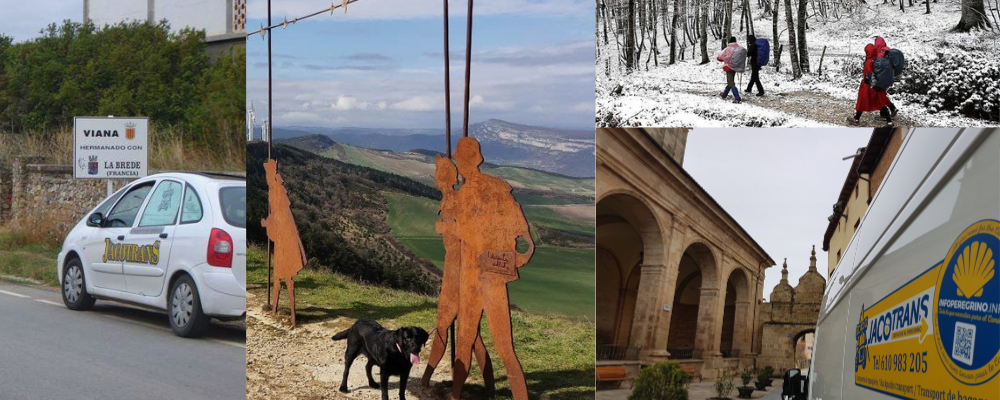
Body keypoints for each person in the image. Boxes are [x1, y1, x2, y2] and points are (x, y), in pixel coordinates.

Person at [451, 137, 534, 400]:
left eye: (460, 159)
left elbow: (522, 234)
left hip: (488, 277)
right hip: (472, 279)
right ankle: (456, 394)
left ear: (471, 160)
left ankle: (520, 396)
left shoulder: (496, 189)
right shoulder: (463, 194)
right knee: (466, 340)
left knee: (502, 345)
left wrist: (514, 257)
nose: (458, 163)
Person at [422, 154, 494, 391]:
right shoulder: (449, 200)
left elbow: (464, 234)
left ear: (443, 178)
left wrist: (448, 227)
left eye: (438, 174)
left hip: (459, 273)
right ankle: (489, 386)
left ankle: (429, 380)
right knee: (470, 335)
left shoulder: (455, 201)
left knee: (453, 330)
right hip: (453, 270)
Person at [848, 43, 894, 126]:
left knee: (864, 102)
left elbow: (869, 74)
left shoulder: (868, 62)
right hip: (875, 85)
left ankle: (856, 119)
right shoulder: (876, 60)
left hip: (868, 86)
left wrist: (873, 85)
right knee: (879, 102)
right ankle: (889, 121)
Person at [717, 36, 744, 103]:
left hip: (729, 67)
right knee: (730, 81)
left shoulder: (727, 49)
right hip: (735, 67)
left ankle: (737, 98)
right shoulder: (739, 49)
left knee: (731, 82)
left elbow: (719, 57)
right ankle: (724, 95)